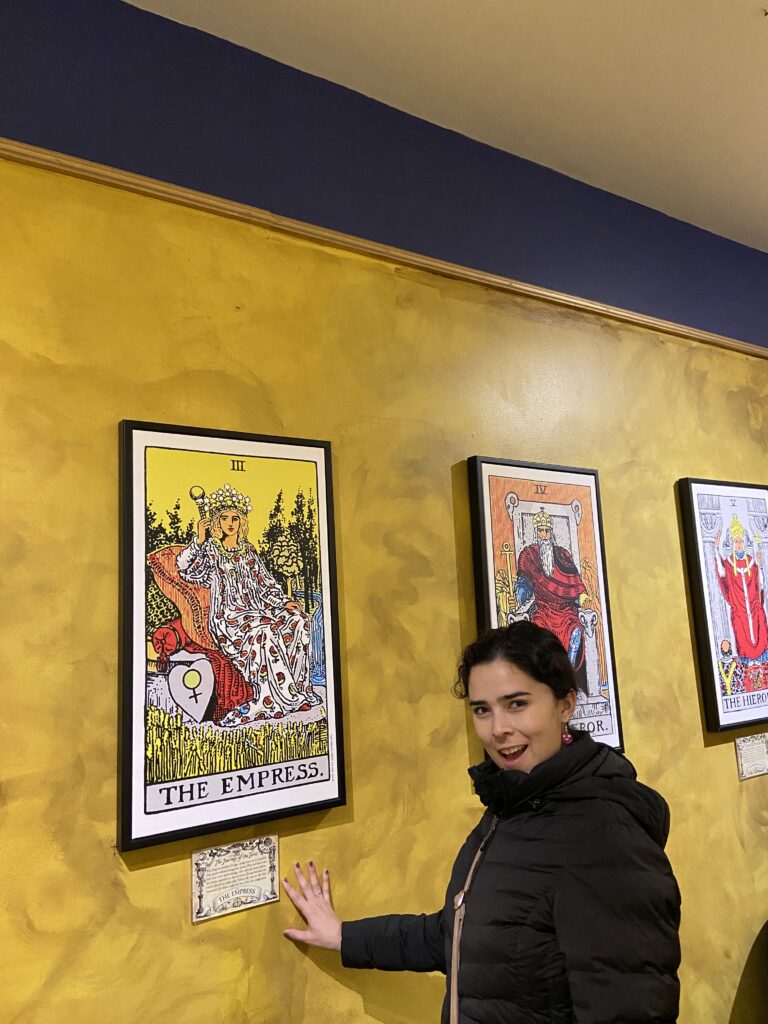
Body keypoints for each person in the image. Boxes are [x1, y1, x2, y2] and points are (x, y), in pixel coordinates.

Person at [282, 621, 681, 1023]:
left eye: (517, 704)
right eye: (482, 710)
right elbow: (460, 934)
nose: (499, 730)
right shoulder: (513, 807)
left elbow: (634, 1007)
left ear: (566, 704)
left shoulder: (606, 837)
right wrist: (343, 936)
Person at [176, 483, 320, 726]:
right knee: (264, 632)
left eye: (235, 518)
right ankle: (273, 699)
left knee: (299, 621)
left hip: (259, 610)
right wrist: (199, 540)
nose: (230, 523)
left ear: (241, 522)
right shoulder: (211, 551)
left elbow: (266, 585)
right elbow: (187, 570)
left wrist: (285, 603)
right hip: (230, 618)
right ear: (216, 522)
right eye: (224, 518)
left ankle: (297, 691)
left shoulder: (248, 551)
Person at [516, 508, 589, 675]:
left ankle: (566, 674)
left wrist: (582, 598)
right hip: (543, 610)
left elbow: (576, 584)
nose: (545, 535)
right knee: (537, 631)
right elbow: (523, 586)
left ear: (551, 532)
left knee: (575, 630)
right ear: (536, 533)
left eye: (547, 531)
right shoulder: (529, 555)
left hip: (566, 611)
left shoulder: (562, 554)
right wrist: (520, 597)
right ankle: (545, 676)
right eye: (541, 531)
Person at [714, 516, 768, 663]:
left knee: (760, 625)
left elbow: (760, 584)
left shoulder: (751, 561)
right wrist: (716, 549)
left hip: (753, 607)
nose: (739, 545)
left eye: (741, 541)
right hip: (739, 609)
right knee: (740, 628)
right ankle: (746, 659)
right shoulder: (730, 562)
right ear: (732, 543)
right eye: (736, 542)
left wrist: (760, 564)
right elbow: (722, 574)